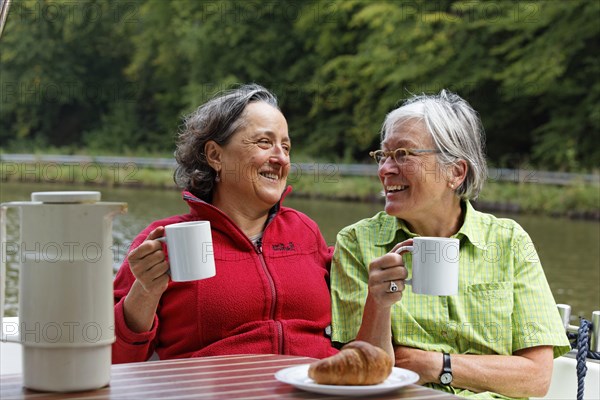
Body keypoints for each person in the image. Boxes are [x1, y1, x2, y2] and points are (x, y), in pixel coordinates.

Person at [330, 90, 570, 398]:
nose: (385, 169)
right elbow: (363, 371)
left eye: (403, 154)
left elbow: (536, 377)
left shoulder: (509, 241)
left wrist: (433, 364)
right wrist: (378, 304)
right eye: (384, 155)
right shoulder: (356, 242)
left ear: (455, 172)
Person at [113, 84, 338, 363]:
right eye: (265, 142)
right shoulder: (163, 240)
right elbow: (114, 360)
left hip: (313, 388)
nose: (281, 158)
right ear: (216, 156)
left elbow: (349, 323)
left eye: (286, 146)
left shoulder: (305, 231)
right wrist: (145, 291)